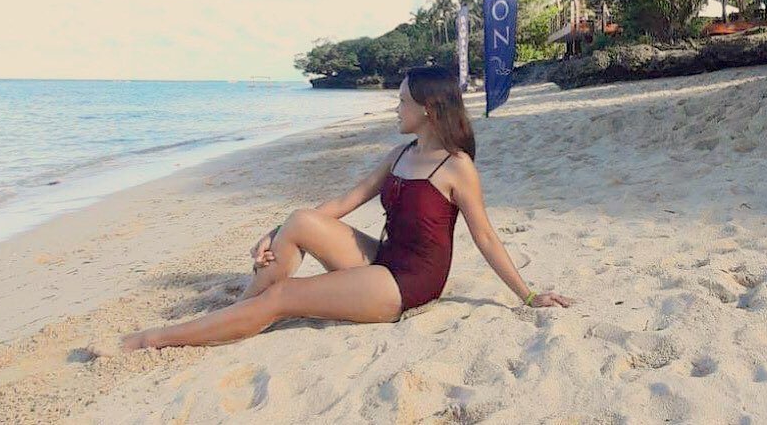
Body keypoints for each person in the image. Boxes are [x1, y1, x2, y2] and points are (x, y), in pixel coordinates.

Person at [120, 66, 574, 351]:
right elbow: (343, 203)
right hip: (382, 258)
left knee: (284, 298)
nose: (395, 108)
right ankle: (239, 308)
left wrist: (528, 294)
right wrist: (275, 232)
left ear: (429, 109)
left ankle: (152, 339)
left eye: (401, 101)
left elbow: (486, 237)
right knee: (300, 220)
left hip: (408, 282)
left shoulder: (456, 167)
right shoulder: (401, 154)